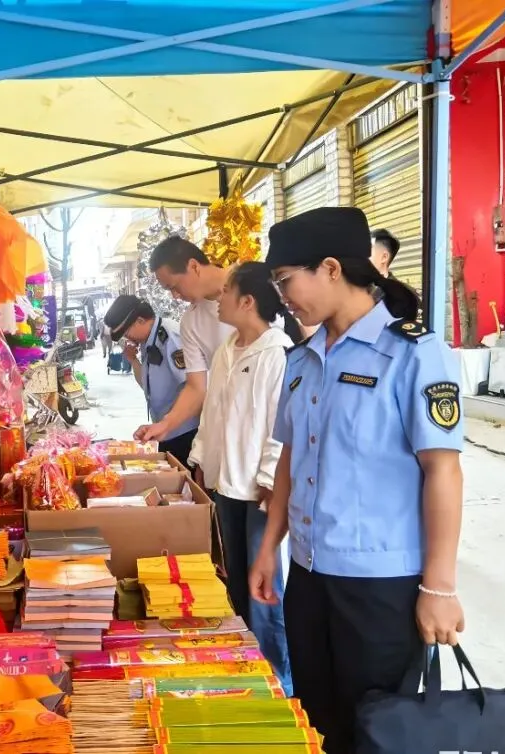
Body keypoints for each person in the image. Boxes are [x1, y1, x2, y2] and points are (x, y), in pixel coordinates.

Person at [250, 207, 465, 754]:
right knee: (318, 720)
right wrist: (269, 547)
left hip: (381, 587)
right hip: (309, 575)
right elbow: (291, 459)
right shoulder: (302, 361)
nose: (281, 297)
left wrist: (439, 588)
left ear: (329, 269)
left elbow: (443, 470)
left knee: (379, 732)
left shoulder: (413, 353)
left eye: (284, 280)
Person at [188, 261, 297, 696]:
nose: (220, 298)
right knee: (233, 576)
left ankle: (279, 678)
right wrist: (200, 459)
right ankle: (244, 662)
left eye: (228, 291)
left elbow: (280, 427)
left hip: (258, 489)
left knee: (263, 585)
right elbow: (211, 412)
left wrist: (271, 477)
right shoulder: (226, 350)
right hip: (224, 482)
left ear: (248, 301)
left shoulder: (278, 353)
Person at [136, 238, 235, 444]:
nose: (175, 296)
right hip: (228, 427)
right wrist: (166, 424)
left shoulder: (255, 285)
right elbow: (196, 387)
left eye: (174, 286)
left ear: (194, 266)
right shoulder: (191, 321)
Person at [103, 295, 198, 469]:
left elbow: (194, 387)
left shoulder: (170, 337)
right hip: (165, 430)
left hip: (183, 432)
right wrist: (133, 361)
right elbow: (147, 385)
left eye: (127, 332)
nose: (128, 337)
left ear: (140, 320)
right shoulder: (148, 340)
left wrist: (167, 423)